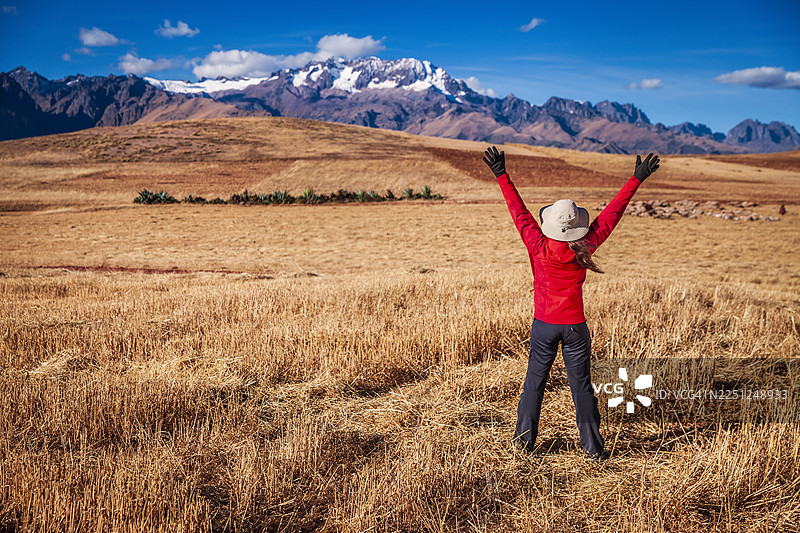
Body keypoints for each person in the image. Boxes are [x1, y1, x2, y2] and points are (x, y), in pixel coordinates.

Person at [482, 146, 660, 459]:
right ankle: (593, 450)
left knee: (534, 385)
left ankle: (524, 444)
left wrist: (501, 175)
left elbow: (519, 212)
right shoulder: (586, 244)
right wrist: (636, 180)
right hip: (576, 328)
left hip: (544, 326)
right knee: (582, 388)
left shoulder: (537, 245)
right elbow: (611, 215)